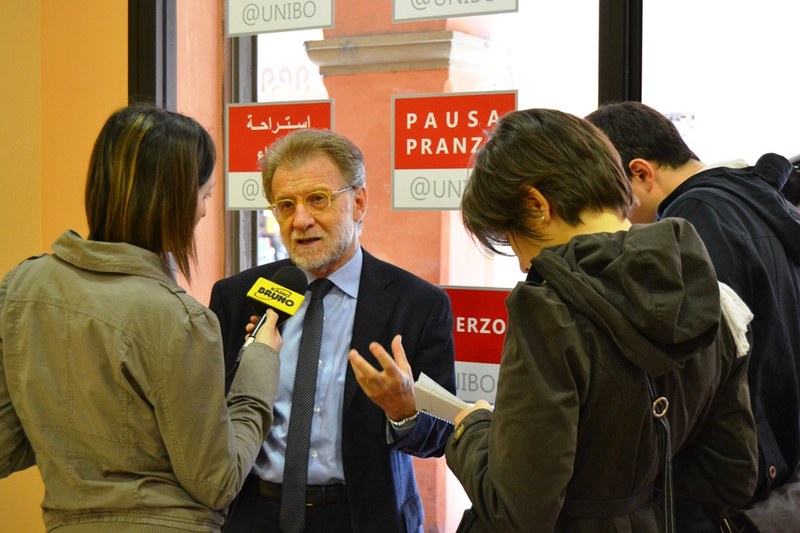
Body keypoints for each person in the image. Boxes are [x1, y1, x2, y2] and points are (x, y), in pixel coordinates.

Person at [444, 108, 758, 532]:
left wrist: (471, 429)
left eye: (511, 237)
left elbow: (518, 511)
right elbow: (732, 475)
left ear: (537, 205)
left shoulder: (546, 311)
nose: (521, 263)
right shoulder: (715, 298)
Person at [0, 105, 282, 532]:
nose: (205, 211)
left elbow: (6, 446)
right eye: (204, 195)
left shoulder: (21, 287)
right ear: (172, 197)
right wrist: (259, 361)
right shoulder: (180, 319)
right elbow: (217, 481)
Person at [209, 128, 456, 533]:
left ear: (358, 201)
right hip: (253, 515)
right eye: (285, 205)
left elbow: (442, 434)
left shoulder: (417, 304)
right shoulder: (239, 297)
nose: (301, 220)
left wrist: (404, 411)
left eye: (317, 199)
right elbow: (215, 412)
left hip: (363, 518)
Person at [587, 101, 800, 529]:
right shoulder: (761, 204)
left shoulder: (691, 227)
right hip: (778, 474)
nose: (614, 216)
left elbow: (700, 377)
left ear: (641, 173)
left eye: (611, 195)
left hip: (726, 492)